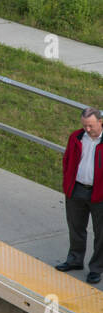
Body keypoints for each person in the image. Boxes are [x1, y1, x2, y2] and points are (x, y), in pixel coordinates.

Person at [57, 107, 103, 284]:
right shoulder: (76, 137)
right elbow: (67, 159)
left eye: (90, 125)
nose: (87, 129)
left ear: (100, 122)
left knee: (101, 233)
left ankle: (96, 269)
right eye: (84, 126)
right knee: (76, 227)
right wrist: (67, 181)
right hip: (76, 190)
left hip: (99, 194)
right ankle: (75, 260)